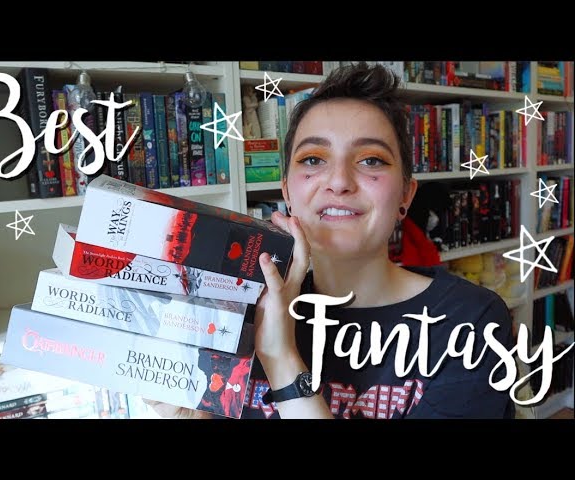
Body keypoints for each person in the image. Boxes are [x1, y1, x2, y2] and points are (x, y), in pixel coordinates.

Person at [148, 62, 515, 419]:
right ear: (287, 192)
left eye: (371, 160)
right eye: (313, 159)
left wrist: (280, 359)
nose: (339, 181)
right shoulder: (236, 312)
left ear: (406, 195)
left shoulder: (470, 324)